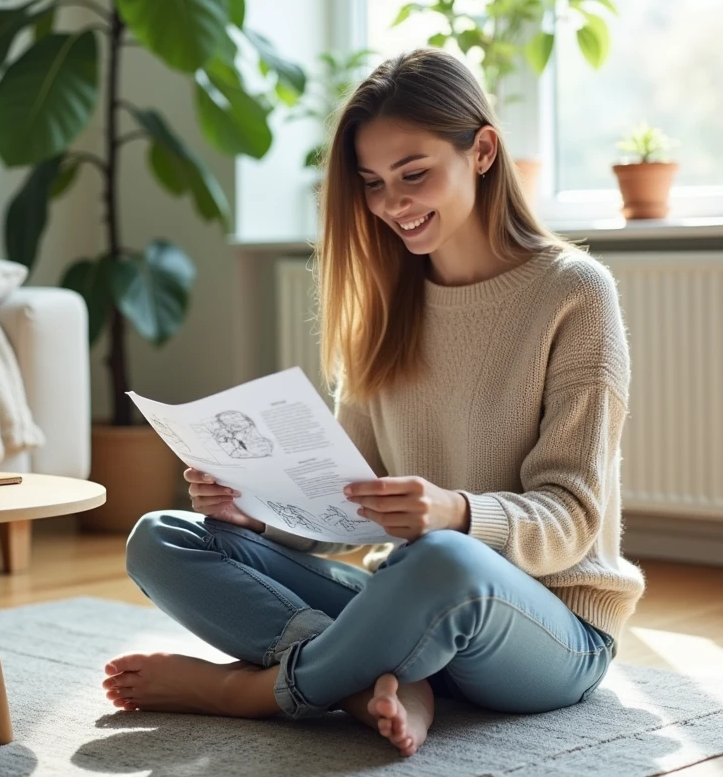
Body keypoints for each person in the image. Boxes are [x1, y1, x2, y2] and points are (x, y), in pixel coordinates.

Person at [102, 48, 646, 758]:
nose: (392, 203)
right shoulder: (385, 306)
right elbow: (345, 510)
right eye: (372, 183)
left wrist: (455, 511)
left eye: (413, 174)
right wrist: (256, 512)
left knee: (443, 560)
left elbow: (574, 518)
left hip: (550, 634)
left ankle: (253, 691)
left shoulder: (574, 292)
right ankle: (370, 680)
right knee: (163, 538)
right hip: (410, 602)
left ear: (482, 152)